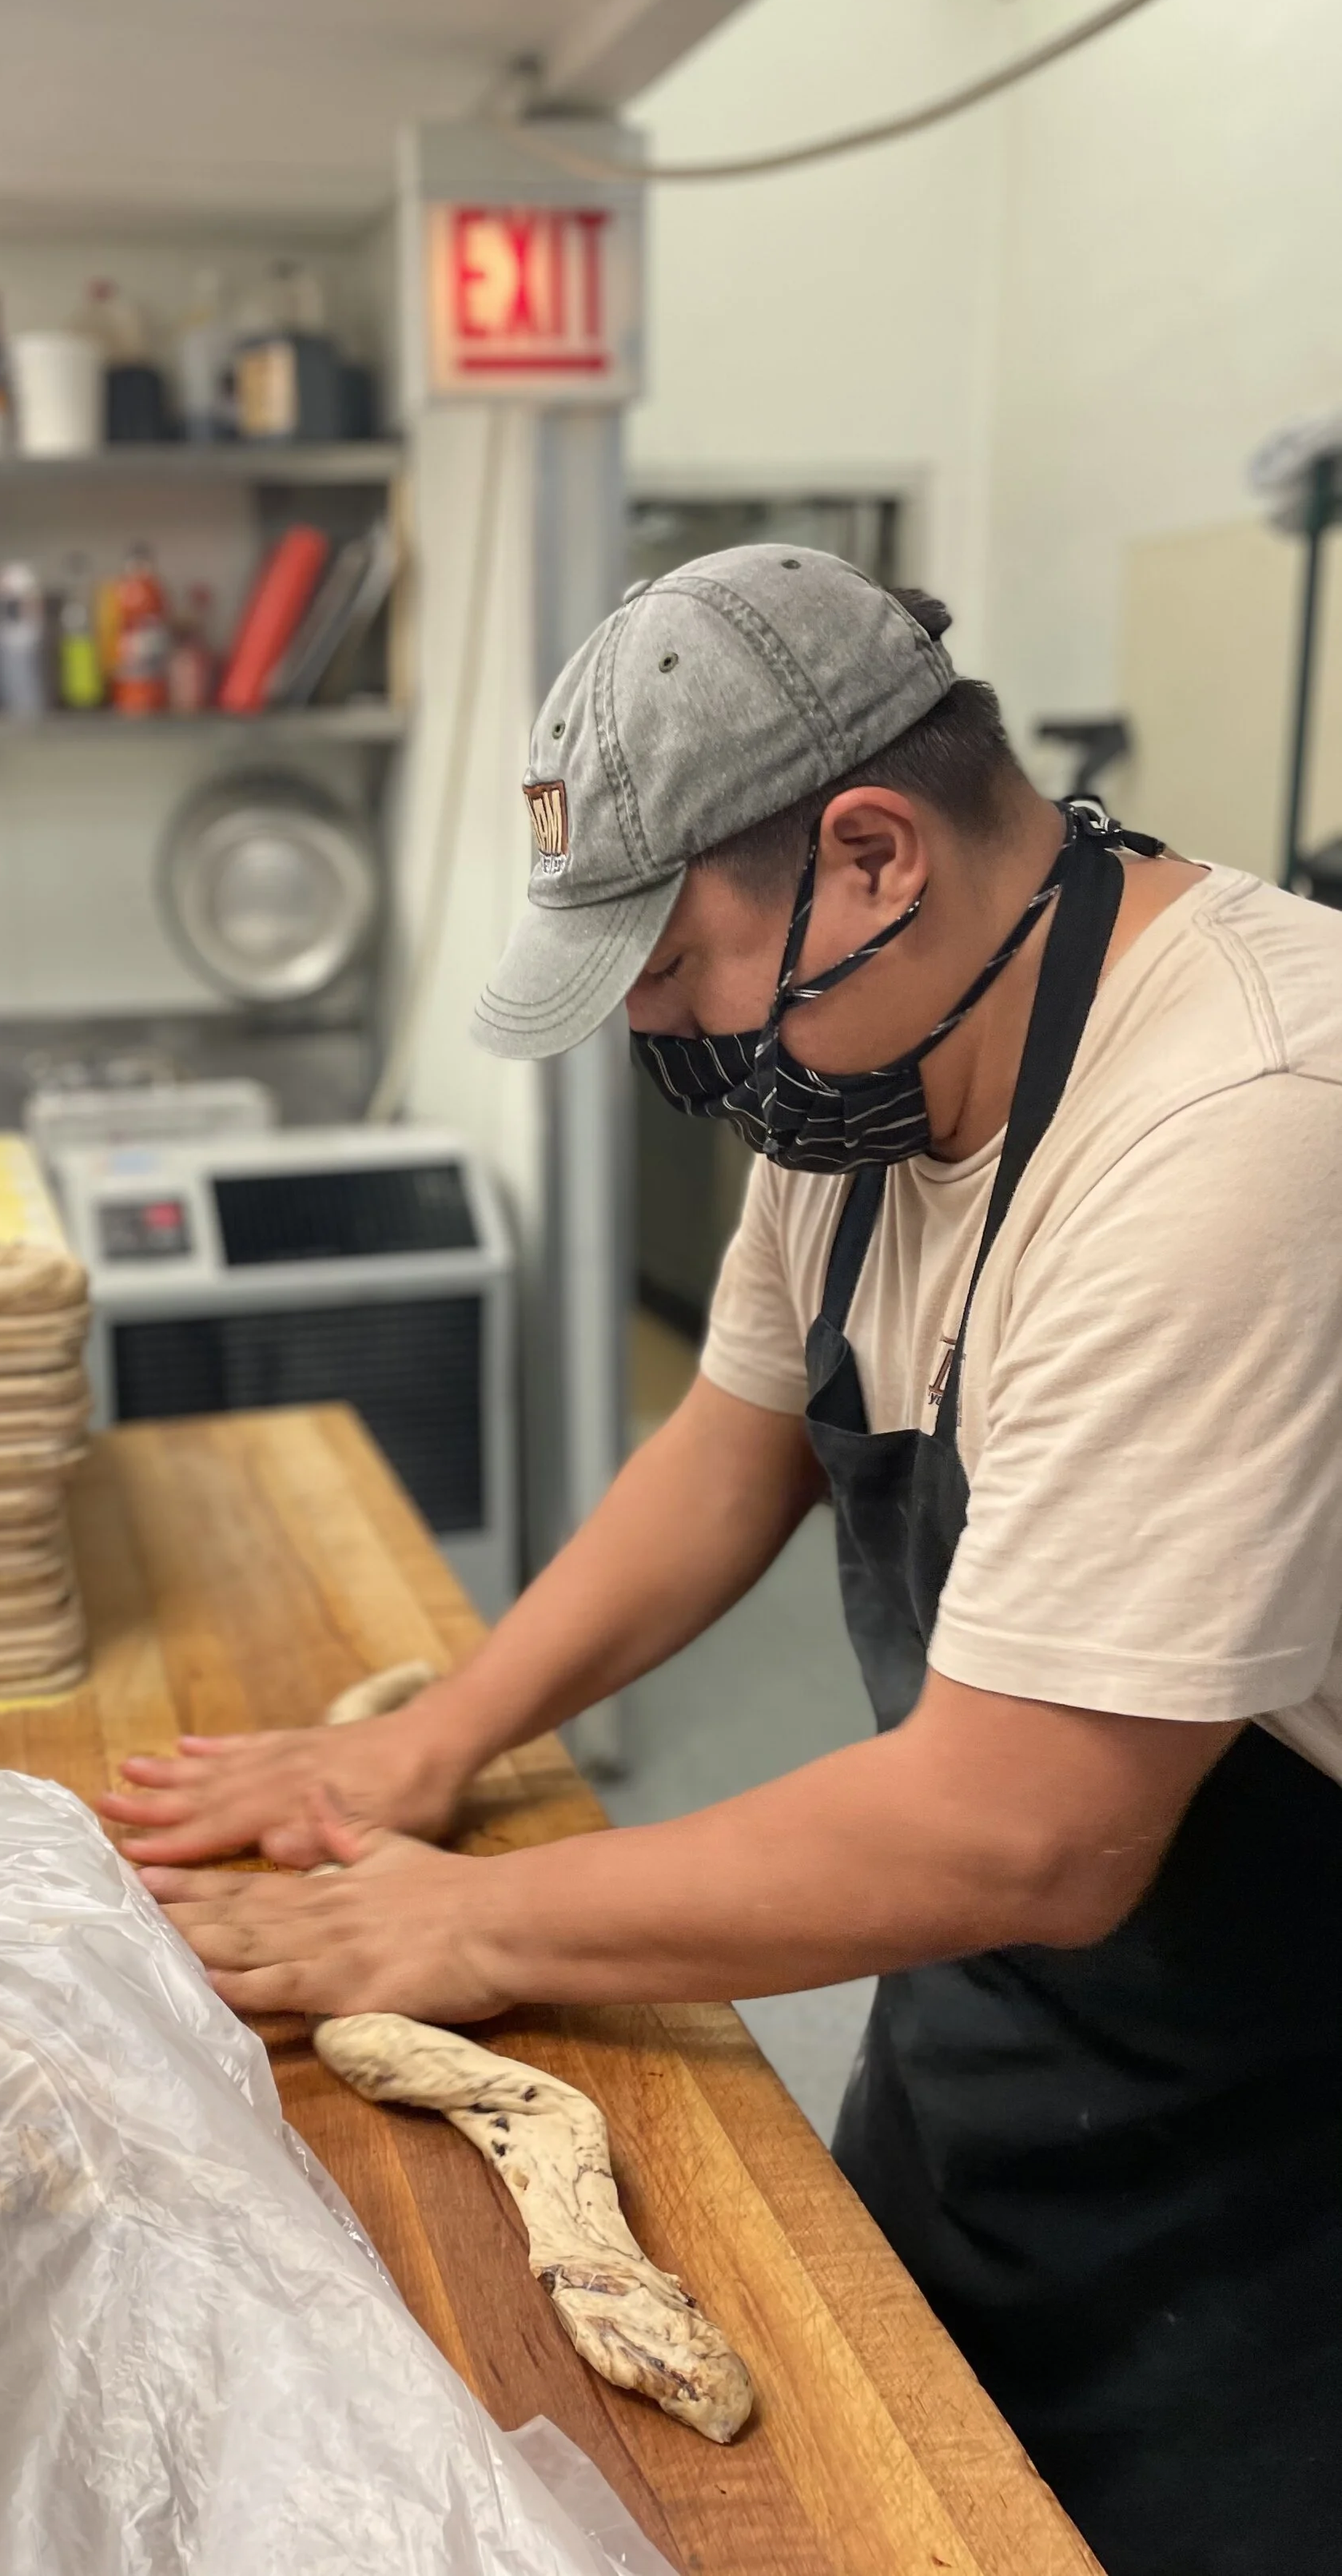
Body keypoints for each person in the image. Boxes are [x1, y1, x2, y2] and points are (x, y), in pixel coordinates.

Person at [101, 546, 1342, 2576]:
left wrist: (466, 1930)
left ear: (867, 855)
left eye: (672, 965)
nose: (661, 1031)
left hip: (1281, 2142)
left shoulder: (1234, 1124)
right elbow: (727, 1444)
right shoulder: (870, 1071)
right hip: (997, 2037)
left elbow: (1030, 1825)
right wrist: (437, 1745)